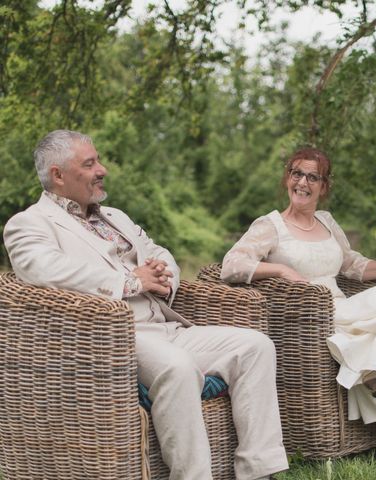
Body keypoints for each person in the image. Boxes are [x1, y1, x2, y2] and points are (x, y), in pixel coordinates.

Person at [3, 130, 288, 480]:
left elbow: (156, 251)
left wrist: (163, 273)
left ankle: (260, 471)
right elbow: (45, 270)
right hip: (113, 337)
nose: (102, 169)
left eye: (99, 160)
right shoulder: (28, 224)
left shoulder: (115, 216)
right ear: (58, 175)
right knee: (178, 367)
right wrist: (132, 281)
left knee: (256, 346)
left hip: (166, 325)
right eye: (90, 163)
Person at [221, 147, 376, 465]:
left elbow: (350, 264)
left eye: (313, 177)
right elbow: (231, 265)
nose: (303, 182)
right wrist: (281, 270)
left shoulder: (326, 221)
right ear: (287, 178)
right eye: (297, 173)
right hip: (311, 318)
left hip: (343, 308)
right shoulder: (271, 226)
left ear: (323, 187)